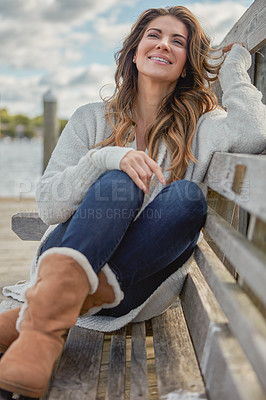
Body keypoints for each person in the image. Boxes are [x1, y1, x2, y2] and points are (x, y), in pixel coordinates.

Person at [0, 5, 265, 398]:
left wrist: (234, 69)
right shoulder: (90, 118)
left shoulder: (202, 126)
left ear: (187, 63)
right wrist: (105, 158)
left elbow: (255, 133)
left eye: (179, 41)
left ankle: (38, 316)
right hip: (68, 253)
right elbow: (49, 208)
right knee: (119, 181)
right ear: (135, 51)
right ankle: (42, 332)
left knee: (188, 197)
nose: (164, 44)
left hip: (132, 288)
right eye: (154, 35)